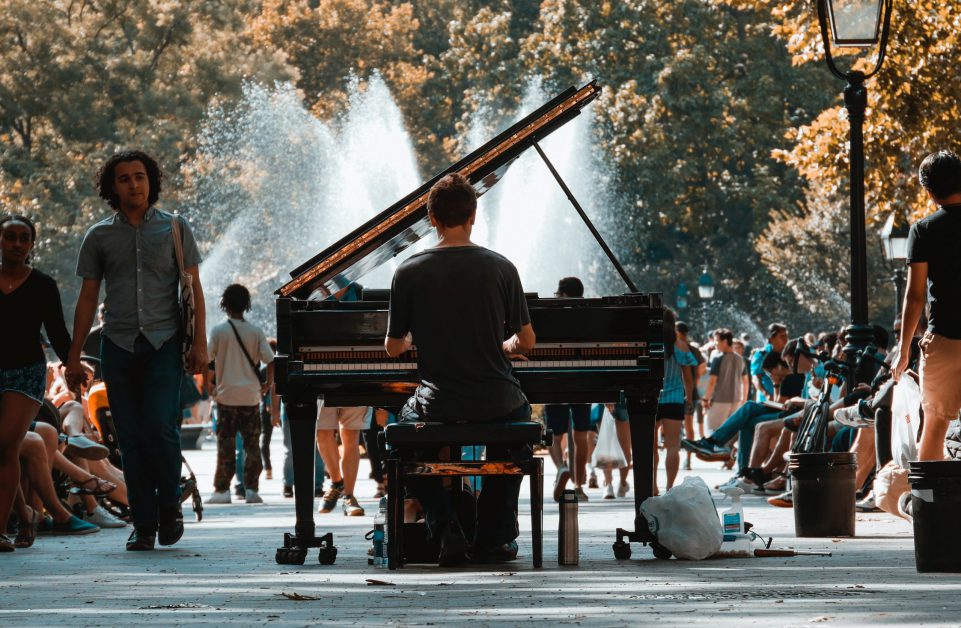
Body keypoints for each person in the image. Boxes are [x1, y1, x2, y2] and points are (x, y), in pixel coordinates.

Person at [384, 173, 536, 566]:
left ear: (431, 219)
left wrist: (415, 341)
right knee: (517, 430)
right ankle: (493, 537)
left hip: (438, 402)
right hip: (498, 400)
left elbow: (393, 346)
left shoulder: (408, 271)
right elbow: (528, 342)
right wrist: (507, 345)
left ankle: (445, 523)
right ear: (473, 215)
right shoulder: (502, 268)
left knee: (401, 439)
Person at [65, 150, 208, 552]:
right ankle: (143, 523)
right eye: (124, 178)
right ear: (113, 187)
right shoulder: (99, 236)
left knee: (161, 429)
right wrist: (74, 356)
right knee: (129, 437)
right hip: (118, 344)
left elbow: (193, 288)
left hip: (164, 343)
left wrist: (200, 345)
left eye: (140, 177)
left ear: (151, 181)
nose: (134, 184)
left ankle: (169, 508)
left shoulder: (176, 228)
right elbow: (88, 298)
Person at [0, 214, 75, 551]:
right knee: (5, 451)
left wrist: (72, 364)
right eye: (9, 237)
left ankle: (1, 530)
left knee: (4, 445)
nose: (16, 244)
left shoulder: (42, 284)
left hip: (25, 371)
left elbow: (58, 332)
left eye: (23, 238)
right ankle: (26, 513)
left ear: (31, 245)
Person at [893, 149, 961, 460]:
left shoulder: (923, 230)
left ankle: (930, 504)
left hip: (945, 338)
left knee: (934, 424)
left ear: (928, 189)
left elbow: (915, 295)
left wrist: (904, 348)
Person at [206, 284, 274, 505]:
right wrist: (267, 385)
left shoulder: (218, 331)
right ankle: (252, 490)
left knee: (225, 444)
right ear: (247, 305)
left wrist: (209, 387)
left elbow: (206, 360)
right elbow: (271, 360)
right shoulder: (255, 332)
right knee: (252, 445)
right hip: (250, 397)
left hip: (226, 397)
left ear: (224, 304)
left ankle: (222, 491)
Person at [316, 283, 370, 517]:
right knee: (322, 431)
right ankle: (338, 483)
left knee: (350, 434)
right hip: (320, 370)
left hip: (355, 372)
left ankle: (348, 494)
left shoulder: (359, 294)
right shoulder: (314, 297)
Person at [545, 276, 591, 502]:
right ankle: (579, 486)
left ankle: (561, 467)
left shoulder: (553, 313)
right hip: (583, 379)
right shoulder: (589, 313)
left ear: (562, 294)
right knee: (581, 436)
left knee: (554, 434)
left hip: (556, 378)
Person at [653, 308, 697, 493]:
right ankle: (670, 487)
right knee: (673, 446)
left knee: (650, 447)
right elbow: (688, 377)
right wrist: (689, 398)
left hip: (651, 399)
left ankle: (652, 485)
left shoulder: (650, 344)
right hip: (674, 399)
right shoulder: (680, 346)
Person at [702, 328, 749, 434]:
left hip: (719, 401)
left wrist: (705, 399)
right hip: (736, 401)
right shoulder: (740, 359)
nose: (715, 343)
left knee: (713, 433)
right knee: (730, 434)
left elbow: (712, 382)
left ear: (725, 341)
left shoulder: (717, 358)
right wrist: (744, 400)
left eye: (716, 340)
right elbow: (746, 382)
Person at [750, 323, 788, 401]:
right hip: (767, 400)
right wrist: (767, 395)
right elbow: (756, 378)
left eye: (786, 336)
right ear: (771, 339)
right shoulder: (761, 354)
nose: (785, 339)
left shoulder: (788, 354)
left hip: (785, 399)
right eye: (781, 336)